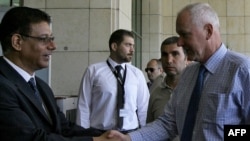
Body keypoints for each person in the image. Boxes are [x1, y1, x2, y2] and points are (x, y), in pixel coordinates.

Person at [100, 2, 250, 141]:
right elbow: (168, 123)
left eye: (184, 35)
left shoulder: (242, 71)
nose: (179, 42)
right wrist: (129, 138)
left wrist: (226, 133)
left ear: (208, 31)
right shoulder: (188, 74)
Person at [0, 6, 106, 141]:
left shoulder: (41, 86)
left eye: (52, 38)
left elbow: (64, 128)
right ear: (17, 42)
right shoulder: (3, 86)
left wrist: (105, 135)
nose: (53, 46)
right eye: (44, 39)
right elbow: (31, 138)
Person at [76, 29, 150, 136]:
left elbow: (144, 108)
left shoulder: (137, 74)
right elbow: (83, 106)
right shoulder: (93, 71)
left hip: (130, 134)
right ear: (114, 46)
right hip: (99, 134)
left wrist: (144, 135)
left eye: (133, 46)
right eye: (128, 45)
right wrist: (84, 135)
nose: (132, 50)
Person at [146, 36, 187, 123]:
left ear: (186, 58)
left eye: (175, 54)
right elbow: (150, 128)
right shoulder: (155, 94)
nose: (169, 60)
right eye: (164, 55)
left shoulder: (197, 89)